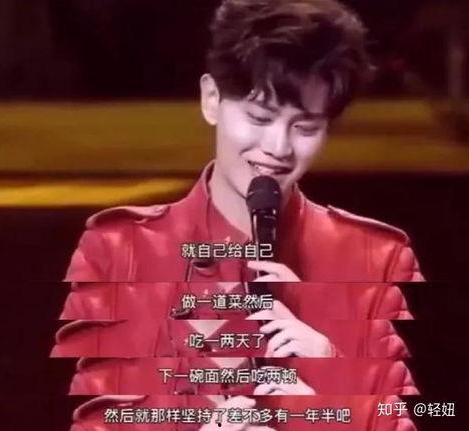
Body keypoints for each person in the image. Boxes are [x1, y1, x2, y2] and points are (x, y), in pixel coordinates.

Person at [57, 0, 424, 429]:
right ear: (211, 98)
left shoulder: (370, 256)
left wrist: (329, 376)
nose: (278, 148)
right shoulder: (122, 249)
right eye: (259, 117)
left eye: (305, 127)